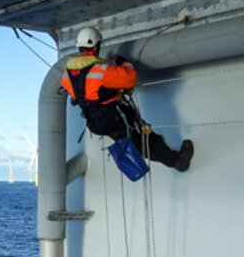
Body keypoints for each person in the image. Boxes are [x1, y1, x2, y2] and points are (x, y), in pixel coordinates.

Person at [60, 27, 194, 172]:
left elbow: (89, 93)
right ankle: (177, 162)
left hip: (94, 123)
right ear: (96, 45)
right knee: (147, 140)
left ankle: (138, 164)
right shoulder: (100, 70)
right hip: (114, 119)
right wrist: (121, 60)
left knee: (132, 143)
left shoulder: (67, 75)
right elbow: (130, 78)